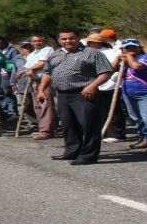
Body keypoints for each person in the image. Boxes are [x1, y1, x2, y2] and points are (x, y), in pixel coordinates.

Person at [38, 30, 112, 165]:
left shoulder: (92, 53)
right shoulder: (55, 55)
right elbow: (47, 72)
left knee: (89, 125)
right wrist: (41, 89)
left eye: (71, 38)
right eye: (64, 39)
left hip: (83, 94)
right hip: (62, 94)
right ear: (58, 40)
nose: (68, 41)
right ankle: (72, 151)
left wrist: (92, 86)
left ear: (77, 38)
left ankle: (89, 155)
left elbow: (106, 72)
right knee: (68, 125)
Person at [117, 39, 147, 153]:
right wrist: (118, 58)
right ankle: (145, 138)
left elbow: (136, 67)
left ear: (140, 47)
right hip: (128, 92)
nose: (130, 49)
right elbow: (111, 69)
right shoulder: (123, 59)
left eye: (133, 47)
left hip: (146, 93)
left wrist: (128, 56)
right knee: (137, 118)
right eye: (127, 48)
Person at [84, 33, 126, 143]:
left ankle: (117, 134)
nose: (90, 44)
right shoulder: (86, 53)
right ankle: (104, 131)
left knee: (113, 109)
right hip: (92, 84)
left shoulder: (109, 53)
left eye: (93, 42)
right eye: (89, 42)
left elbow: (113, 67)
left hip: (108, 84)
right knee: (99, 110)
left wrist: (109, 78)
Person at [22, 34, 56, 140]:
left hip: (44, 81)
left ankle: (47, 130)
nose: (37, 43)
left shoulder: (48, 50)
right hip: (34, 81)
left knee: (45, 104)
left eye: (39, 41)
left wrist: (31, 69)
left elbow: (42, 63)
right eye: (34, 41)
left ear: (44, 41)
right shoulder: (32, 54)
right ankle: (42, 128)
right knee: (37, 106)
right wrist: (23, 72)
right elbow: (28, 67)